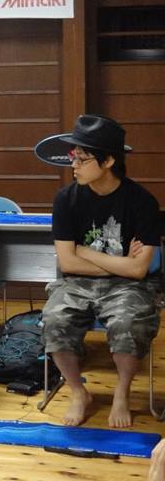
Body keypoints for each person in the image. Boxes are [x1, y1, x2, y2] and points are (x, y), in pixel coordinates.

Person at [37, 114, 160, 428]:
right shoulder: (66, 199)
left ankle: (122, 391)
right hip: (77, 282)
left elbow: (139, 270)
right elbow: (68, 263)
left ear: (108, 161)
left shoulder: (143, 202)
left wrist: (87, 252)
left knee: (129, 323)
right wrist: (121, 265)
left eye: (82, 158)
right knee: (55, 320)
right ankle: (78, 392)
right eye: (73, 156)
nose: (74, 165)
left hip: (129, 287)